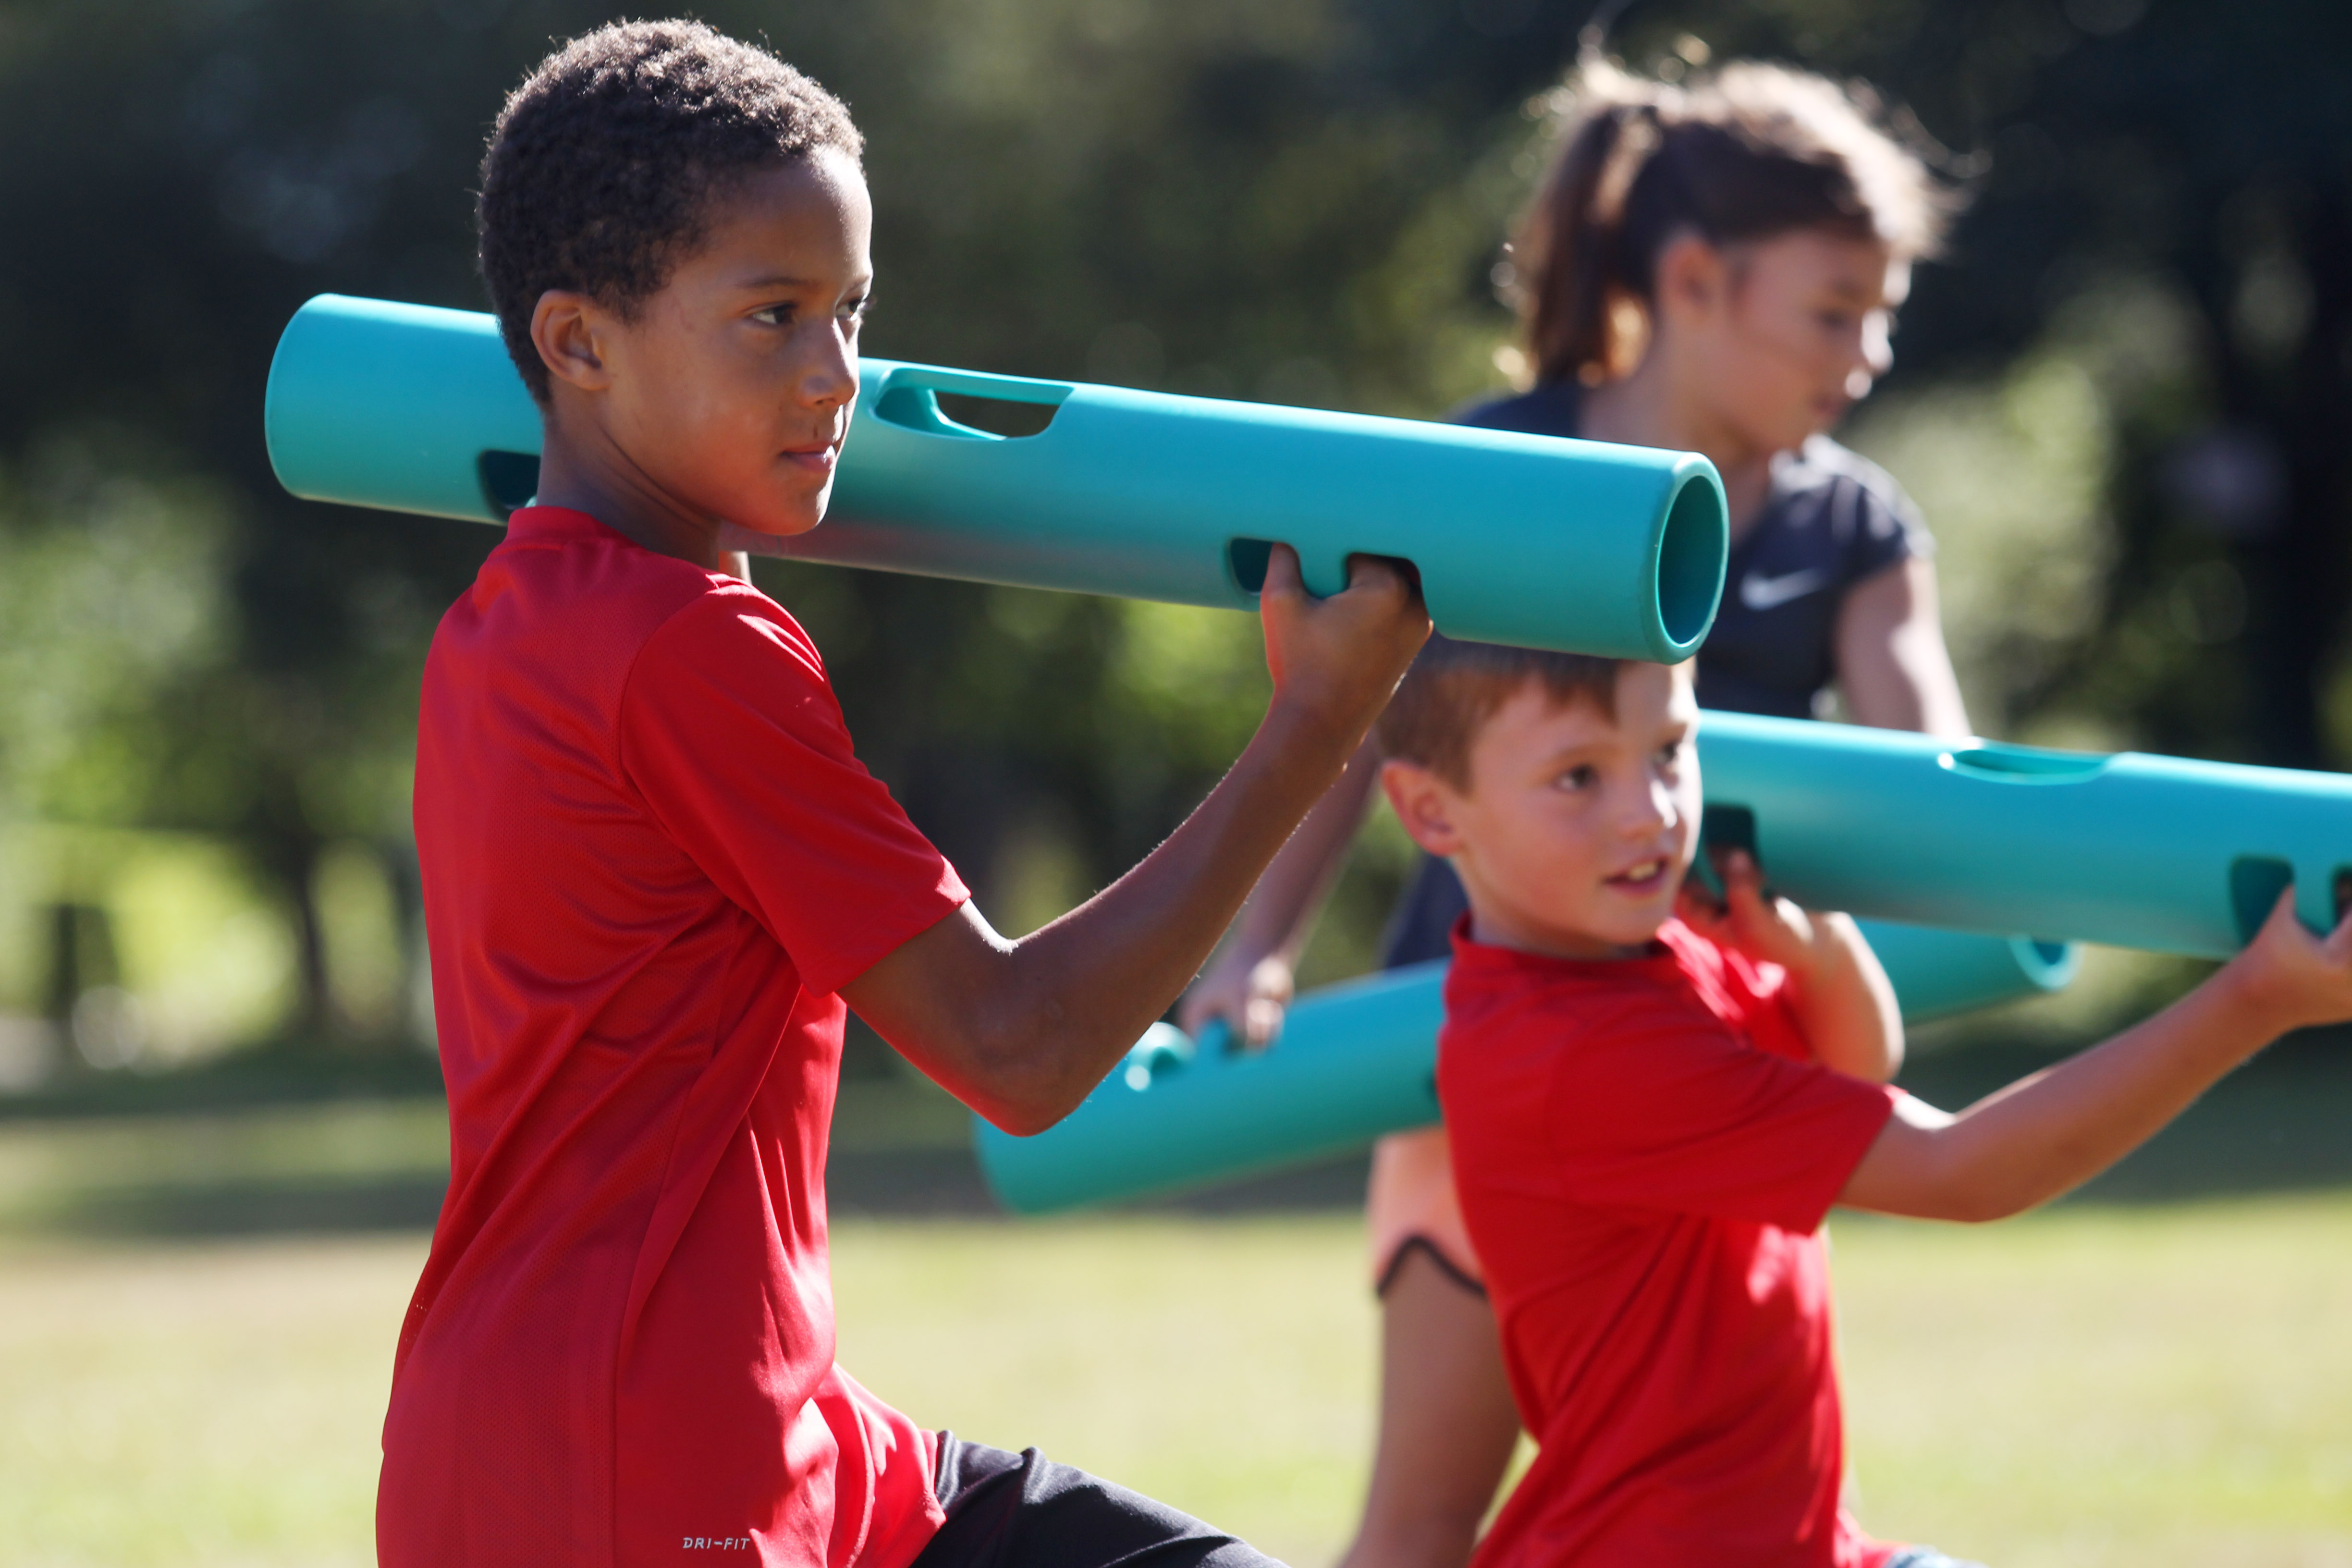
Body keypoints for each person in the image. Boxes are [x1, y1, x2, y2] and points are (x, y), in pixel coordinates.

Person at [383, 22, 1429, 1568]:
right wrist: (1314, 726)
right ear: (578, 343)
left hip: (773, 1444)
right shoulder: (687, 648)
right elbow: (1017, 1048)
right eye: (771, 318)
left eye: (852, 310)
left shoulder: (512, 614)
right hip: (632, 1483)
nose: (837, 379)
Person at [1180, 55, 1970, 1568]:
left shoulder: (1852, 527)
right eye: (1830, 312)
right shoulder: (1496, 469)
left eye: (1880, 316)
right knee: (1417, 1522)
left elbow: (1931, 767)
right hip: (1479, 1060)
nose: (1862, 356)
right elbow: (1343, 732)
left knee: (1706, 1507)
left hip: (1708, 1083)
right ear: (1692, 281)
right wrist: (1252, 948)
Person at [1377, 635, 2352, 1567]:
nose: (1651, 813)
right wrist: (2252, 1001)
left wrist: (1819, 952)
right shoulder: (1579, 1053)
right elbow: (1961, 1171)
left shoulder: (1624, 958)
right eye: (1579, 777)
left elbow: (1854, 1075)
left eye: (1671, 751)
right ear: (1432, 812)